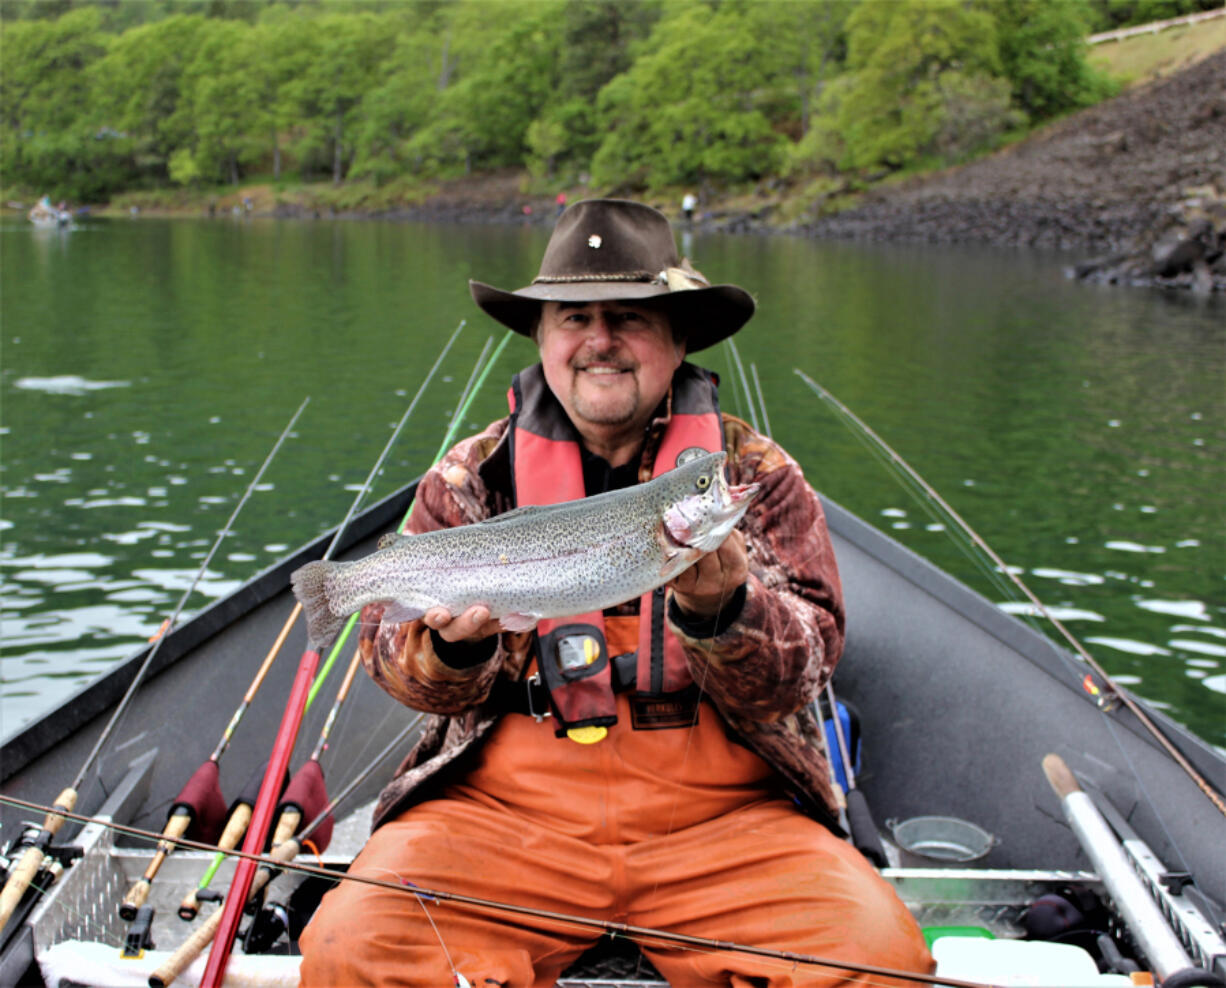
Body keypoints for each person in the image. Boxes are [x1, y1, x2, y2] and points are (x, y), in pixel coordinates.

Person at [299, 199, 933, 987]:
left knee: (878, 961)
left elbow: (805, 673)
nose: (599, 340)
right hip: (503, 821)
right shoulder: (469, 478)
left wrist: (727, 611)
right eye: (575, 317)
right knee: (348, 949)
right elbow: (397, 673)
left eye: (628, 317)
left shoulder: (749, 474)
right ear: (543, 338)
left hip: (727, 825)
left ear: (677, 340)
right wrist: (452, 646)